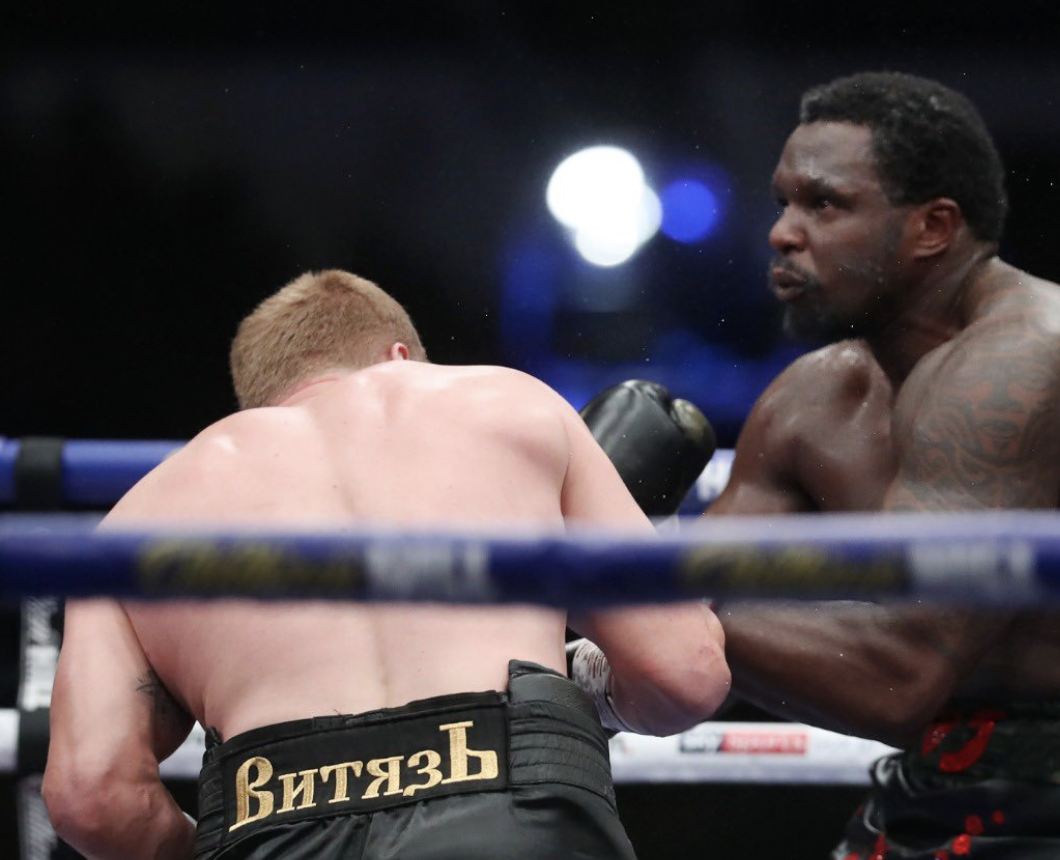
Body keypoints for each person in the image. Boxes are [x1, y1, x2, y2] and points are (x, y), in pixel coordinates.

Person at [42, 270, 730, 860]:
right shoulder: (508, 404)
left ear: (258, 402)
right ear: (402, 356)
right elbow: (686, 673)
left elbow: (89, 796)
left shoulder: (140, 517)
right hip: (520, 816)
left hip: (271, 828)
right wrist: (583, 687)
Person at [705, 72, 1060, 859]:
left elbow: (896, 676)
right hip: (938, 785)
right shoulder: (815, 401)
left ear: (933, 227)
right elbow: (696, 607)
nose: (783, 233)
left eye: (824, 205)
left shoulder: (1028, 357)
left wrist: (608, 589)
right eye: (782, 203)